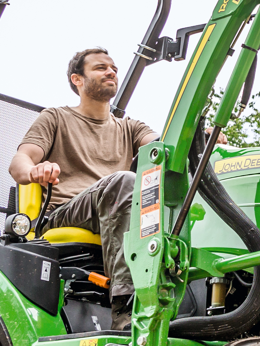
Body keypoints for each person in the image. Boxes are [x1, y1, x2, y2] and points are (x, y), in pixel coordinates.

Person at [9, 47, 157, 329]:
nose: (111, 71)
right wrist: (33, 170)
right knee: (124, 181)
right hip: (65, 211)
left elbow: (164, 147)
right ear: (77, 80)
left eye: (113, 68)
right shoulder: (56, 117)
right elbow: (20, 161)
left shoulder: (131, 127)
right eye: (100, 68)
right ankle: (126, 309)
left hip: (116, 210)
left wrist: (199, 138)